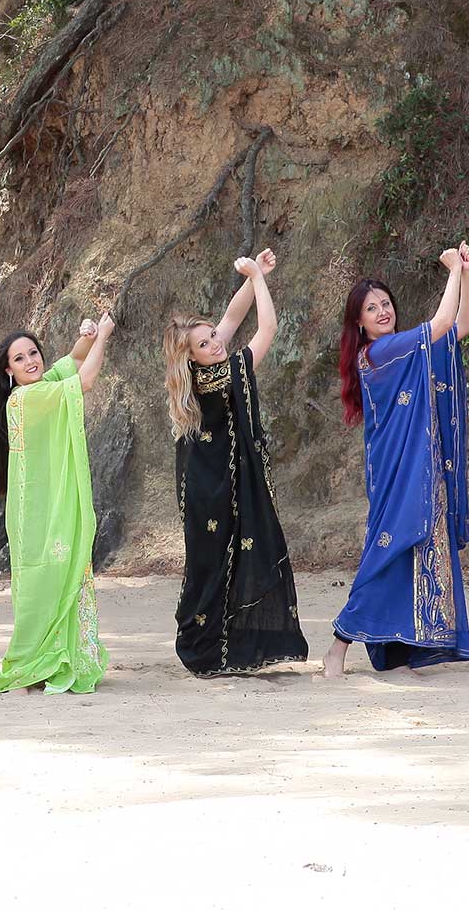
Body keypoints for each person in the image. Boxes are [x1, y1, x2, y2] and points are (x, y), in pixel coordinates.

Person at [322, 244, 469, 678]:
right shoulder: (379, 353)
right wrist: (452, 270)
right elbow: (442, 323)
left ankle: (397, 653)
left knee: (405, 552)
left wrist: (466, 274)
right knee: (387, 551)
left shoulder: (406, 349)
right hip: (397, 472)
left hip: (421, 467)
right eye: (372, 308)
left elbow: (462, 325)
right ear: (359, 322)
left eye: (386, 303)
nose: (382, 312)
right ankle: (338, 645)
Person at [163, 249, 307, 676]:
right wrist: (259, 280)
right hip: (218, 487)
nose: (215, 343)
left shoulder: (202, 369)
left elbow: (231, 315)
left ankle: (208, 644)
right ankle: (206, 649)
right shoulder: (224, 374)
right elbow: (268, 328)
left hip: (202, 485)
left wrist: (254, 275)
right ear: (191, 356)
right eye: (205, 343)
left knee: (211, 563)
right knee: (220, 562)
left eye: (213, 336)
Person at [0, 311, 117, 693]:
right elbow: (84, 380)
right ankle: (39, 659)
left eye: (33, 353)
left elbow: (73, 360)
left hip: (42, 507)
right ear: (8, 371)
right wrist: (105, 335)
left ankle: (59, 655)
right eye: (19, 358)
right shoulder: (27, 398)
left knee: (56, 573)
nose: (30, 361)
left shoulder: (42, 386)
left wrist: (87, 335)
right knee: (45, 578)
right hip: (38, 513)